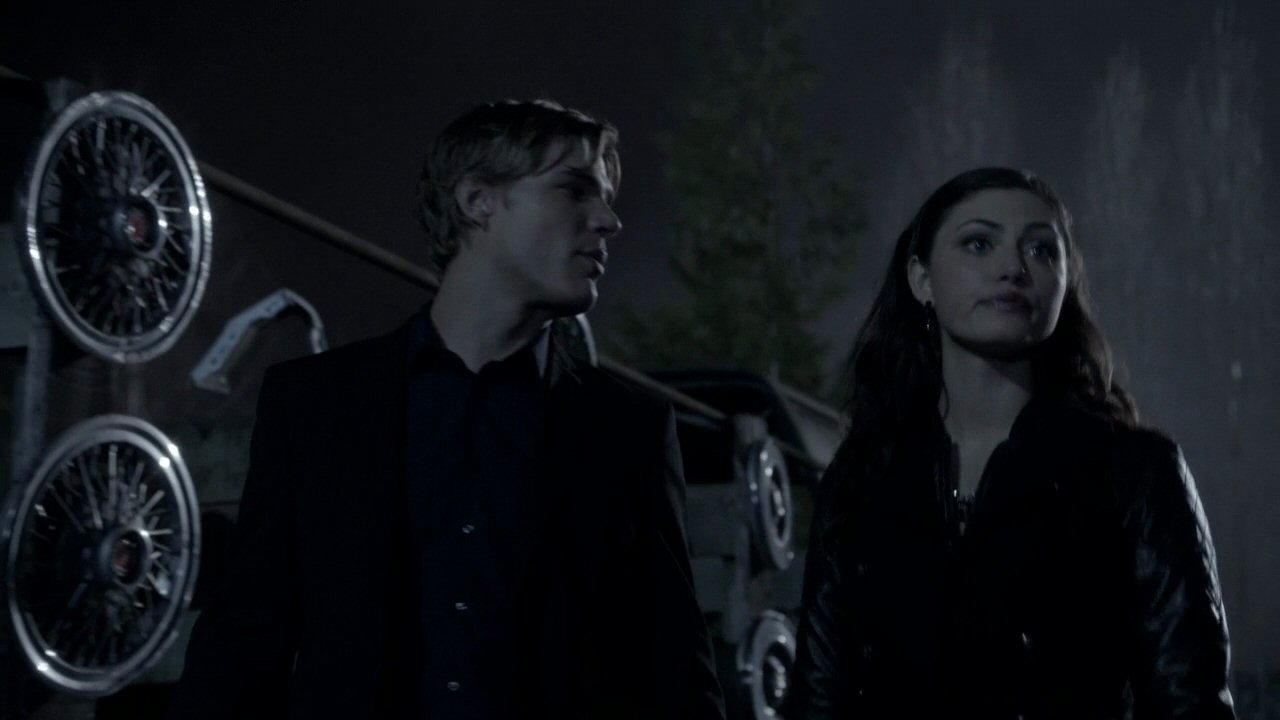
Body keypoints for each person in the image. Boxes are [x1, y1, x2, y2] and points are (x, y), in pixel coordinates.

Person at [167, 99, 725, 719]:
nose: (608, 221)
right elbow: (244, 641)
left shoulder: (628, 430)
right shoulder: (317, 404)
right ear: (477, 201)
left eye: (605, 198)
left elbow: (676, 669)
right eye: (574, 190)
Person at [784, 167, 1234, 718]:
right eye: (979, 243)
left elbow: (1189, 700)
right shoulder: (863, 476)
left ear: (1064, 284)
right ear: (921, 280)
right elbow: (818, 695)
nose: (1013, 269)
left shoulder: (1133, 470)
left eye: (1041, 250)